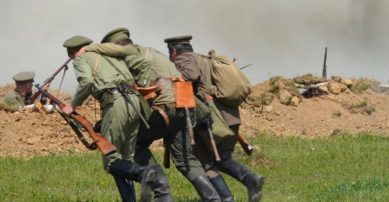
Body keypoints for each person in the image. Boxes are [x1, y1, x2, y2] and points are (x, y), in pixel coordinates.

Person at [83, 27, 221, 202]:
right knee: (186, 161)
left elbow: (129, 96)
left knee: (135, 143)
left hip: (165, 110)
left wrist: (88, 50)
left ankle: (160, 190)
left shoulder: (131, 55)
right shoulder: (153, 53)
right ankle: (213, 199)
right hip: (184, 109)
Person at [61, 35, 171, 202]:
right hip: (134, 104)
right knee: (125, 161)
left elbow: (87, 82)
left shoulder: (81, 58)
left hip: (116, 103)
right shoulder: (110, 55)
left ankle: (146, 173)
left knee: (112, 162)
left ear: (72, 52)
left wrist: (73, 105)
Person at [167, 35, 264, 202]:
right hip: (230, 117)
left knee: (213, 162)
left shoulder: (184, 60)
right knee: (214, 161)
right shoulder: (205, 59)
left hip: (212, 120)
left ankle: (249, 181)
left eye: (170, 51)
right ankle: (229, 196)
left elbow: (192, 75)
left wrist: (169, 80)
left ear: (174, 51)